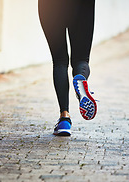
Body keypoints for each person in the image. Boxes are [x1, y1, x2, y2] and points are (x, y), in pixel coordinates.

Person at [38, 0, 97, 136]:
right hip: (82, 5)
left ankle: (64, 118)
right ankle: (81, 81)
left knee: (60, 61)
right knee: (81, 60)